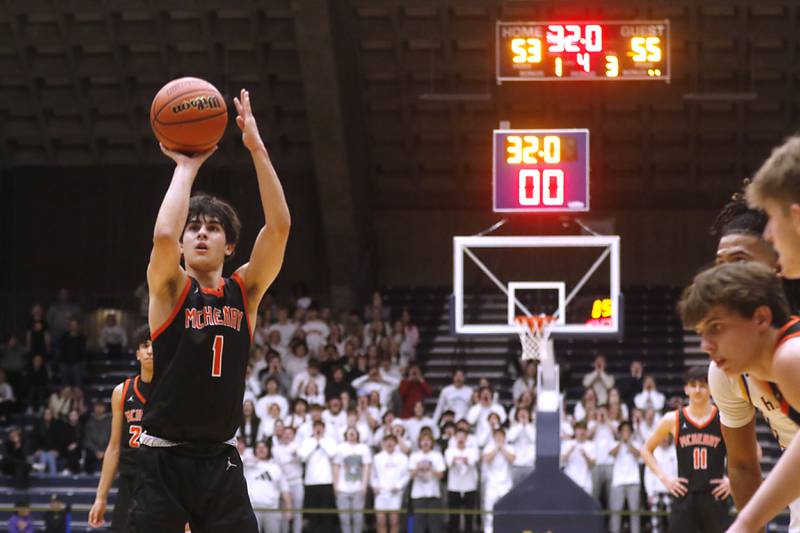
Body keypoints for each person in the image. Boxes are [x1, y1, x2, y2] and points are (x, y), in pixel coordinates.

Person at [129, 88, 290, 532]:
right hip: (163, 456)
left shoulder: (245, 291)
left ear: (230, 244)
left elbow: (279, 228)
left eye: (213, 228)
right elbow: (163, 236)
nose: (201, 234)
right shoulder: (169, 290)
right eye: (194, 228)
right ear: (183, 244)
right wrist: (187, 166)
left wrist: (257, 148)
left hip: (220, 459)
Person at [677, 260, 800, 531]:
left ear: (760, 319)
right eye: (701, 333)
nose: (705, 346)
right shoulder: (737, 373)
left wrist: (744, 524)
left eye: (716, 327)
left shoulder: (792, 355)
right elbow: (743, 464)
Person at [640, 365, 731, 532]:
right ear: (686, 389)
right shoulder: (672, 419)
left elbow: (754, 452)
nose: (697, 390)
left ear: (711, 388)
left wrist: (732, 482)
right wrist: (665, 479)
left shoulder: (723, 418)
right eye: (693, 385)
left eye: (703, 385)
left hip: (715, 497)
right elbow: (645, 451)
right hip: (684, 497)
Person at [88, 330, 153, 531]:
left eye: (155, 345)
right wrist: (100, 497)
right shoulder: (122, 392)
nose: (150, 351)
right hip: (129, 485)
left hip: (161, 484)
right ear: (137, 353)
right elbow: (114, 447)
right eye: (144, 346)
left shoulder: (173, 391)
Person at [245, 440, 292, 533]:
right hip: (253, 509)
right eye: (259, 448)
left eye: (264, 447)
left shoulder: (276, 467)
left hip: (272, 509)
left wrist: (289, 509)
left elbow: (284, 490)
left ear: (268, 450)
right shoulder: (247, 465)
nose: (261, 449)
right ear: (255, 450)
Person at [299, 420, 338, 529]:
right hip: (311, 483)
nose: (318, 429)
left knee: (327, 515)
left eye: (320, 427)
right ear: (313, 429)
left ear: (324, 429)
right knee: (313, 515)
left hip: (326, 482)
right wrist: (315, 442)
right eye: (316, 427)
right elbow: (303, 457)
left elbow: (332, 454)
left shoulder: (329, 441)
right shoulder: (307, 441)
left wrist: (321, 442)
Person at [333, 426, 372, 533]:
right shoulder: (340, 448)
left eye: (353, 432)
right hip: (342, 488)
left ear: (357, 435)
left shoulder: (364, 448)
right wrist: (335, 486)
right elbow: (336, 466)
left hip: (358, 488)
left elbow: (366, 467)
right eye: (349, 433)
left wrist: (364, 486)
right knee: (344, 518)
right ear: (345, 435)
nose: (351, 435)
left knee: (358, 518)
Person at [371, 434, 409, 533]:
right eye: (387, 441)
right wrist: (375, 486)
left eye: (392, 441)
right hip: (381, 493)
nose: (389, 443)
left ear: (396, 443)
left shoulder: (403, 458)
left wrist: (398, 486)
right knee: (380, 522)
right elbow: (372, 475)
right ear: (383, 443)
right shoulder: (377, 458)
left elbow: (407, 475)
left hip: (395, 494)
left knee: (394, 522)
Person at [409, 433, 446, 533]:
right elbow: (411, 475)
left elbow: (441, 475)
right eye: (423, 440)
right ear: (419, 443)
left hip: (434, 494)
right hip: (418, 495)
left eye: (428, 440)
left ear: (432, 443)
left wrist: (431, 468)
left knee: (435, 525)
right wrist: (418, 467)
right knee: (418, 525)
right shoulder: (414, 456)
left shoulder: (437, 455)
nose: (425, 442)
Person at [444, 427, 479, 533]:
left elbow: (472, 461)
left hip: (469, 487)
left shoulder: (472, 451)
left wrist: (461, 459)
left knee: (469, 517)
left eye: (463, 437)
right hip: (454, 487)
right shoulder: (449, 451)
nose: (460, 439)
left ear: (467, 438)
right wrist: (460, 459)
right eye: (458, 437)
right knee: (454, 516)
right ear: (454, 438)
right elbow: (449, 463)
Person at [608, 421, 641, 533]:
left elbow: (638, 454)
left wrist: (628, 443)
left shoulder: (636, 443)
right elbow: (612, 454)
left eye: (627, 430)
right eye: (623, 431)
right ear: (620, 433)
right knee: (616, 513)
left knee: (634, 513)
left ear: (631, 433)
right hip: (618, 482)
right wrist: (621, 442)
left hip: (633, 482)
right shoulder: (614, 443)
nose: (625, 433)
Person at [482, 428, 516, 533]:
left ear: (504, 437)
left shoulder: (510, 447)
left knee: (508, 510)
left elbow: (512, 459)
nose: (499, 437)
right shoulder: (488, 448)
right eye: (497, 435)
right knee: (489, 511)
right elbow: (486, 459)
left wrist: (502, 448)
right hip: (492, 485)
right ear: (493, 437)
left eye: (501, 435)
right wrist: (497, 448)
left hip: (506, 485)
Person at [83, 401, 112, 474]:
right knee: (88, 453)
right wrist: (96, 451)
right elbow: (87, 439)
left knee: (114, 452)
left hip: (108, 448)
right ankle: (88, 476)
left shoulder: (110, 421)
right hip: (93, 449)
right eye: (96, 407)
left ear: (104, 408)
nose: (98, 409)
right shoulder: (89, 422)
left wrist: (104, 450)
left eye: (101, 407)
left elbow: (112, 437)